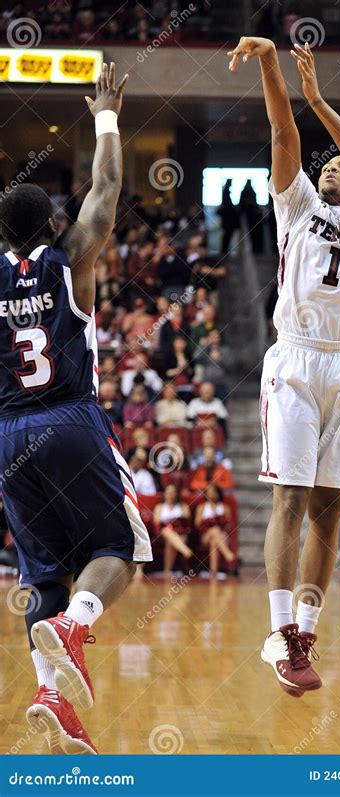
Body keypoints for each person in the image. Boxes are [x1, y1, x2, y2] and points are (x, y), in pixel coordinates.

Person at [228, 37, 340, 696]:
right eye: (325, 167)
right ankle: (278, 631)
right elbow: (282, 133)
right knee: (291, 497)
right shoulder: (296, 207)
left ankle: (307, 630)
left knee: (329, 509)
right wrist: (274, 67)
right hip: (296, 358)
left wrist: (321, 99)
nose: (331, 168)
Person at [0, 64, 152, 754]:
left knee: (39, 572)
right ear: (51, 222)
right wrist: (108, 116)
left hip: (7, 437)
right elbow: (109, 188)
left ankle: (51, 695)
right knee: (119, 547)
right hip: (69, 418)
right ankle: (76, 624)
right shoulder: (71, 257)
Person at [195, 485, 236, 577]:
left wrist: (221, 523)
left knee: (214, 540)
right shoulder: (201, 507)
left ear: (218, 494)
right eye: (209, 493)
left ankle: (213, 572)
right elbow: (197, 525)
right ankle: (228, 554)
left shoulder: (225, 508)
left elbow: (229, 526)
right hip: (206, 536)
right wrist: (208, 523)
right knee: (214, 530)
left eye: (214, 492)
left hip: (222, 536)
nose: (211, 495)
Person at [153, 485, 193, 578]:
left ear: (176, 494)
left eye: (173, 492)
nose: (170, 495)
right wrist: (172, 524)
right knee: (167, 531)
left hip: (180, 536)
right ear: (165, 494)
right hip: (162, 536)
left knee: (170, 541)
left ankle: (167, 572)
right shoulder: (159, 507)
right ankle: (186, 551)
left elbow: (186, 523)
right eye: (168, 492)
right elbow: (157, 525)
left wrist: (175, 526)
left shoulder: (183, 506)